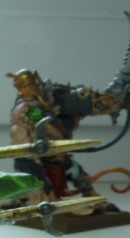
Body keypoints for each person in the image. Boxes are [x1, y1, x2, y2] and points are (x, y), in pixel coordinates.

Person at [7, 69, 124, 209]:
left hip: (56, 152)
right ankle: (38, 200)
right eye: (25, 86)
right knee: (44, 186)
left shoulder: (44, 99)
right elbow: (21, 135)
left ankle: (91, 195)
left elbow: (52, 121)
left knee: (77, 172)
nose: (30, 88)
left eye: (31, 84)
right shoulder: (24, 109)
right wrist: (37, 155)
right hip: (41, 156)